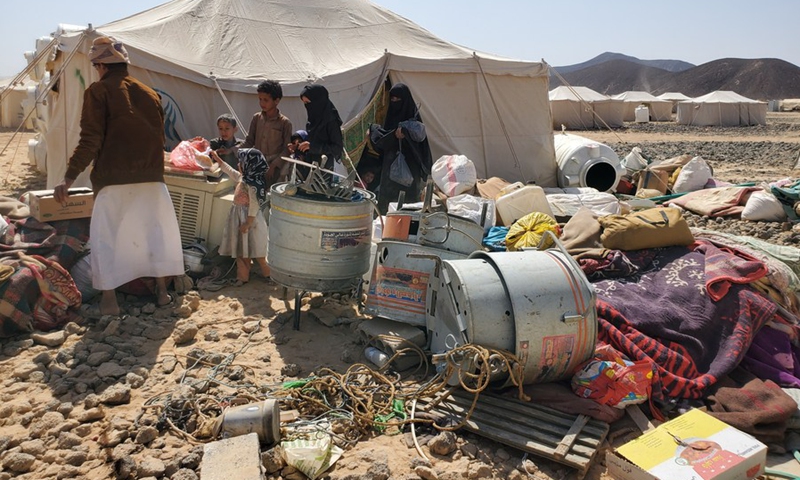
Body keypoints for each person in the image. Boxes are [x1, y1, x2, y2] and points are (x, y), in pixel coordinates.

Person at [53, 36, 183, 316]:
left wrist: (68, 177)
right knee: (154, 234)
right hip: (152, 179)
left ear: (100, 65)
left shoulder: (98, 92)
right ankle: (162, 294)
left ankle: (110, 302)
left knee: (107, 238)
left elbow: (90, 139)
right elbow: (158, 139)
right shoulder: (151, 94)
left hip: (113, 180)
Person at [210, 148, 271, 286]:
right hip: (239, 218)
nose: (239, 165)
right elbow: (229, 170)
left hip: (251, 221)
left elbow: (254, 206)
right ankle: (242, 277)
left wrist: (248, 223)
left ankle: (269, 275)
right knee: (241, 250)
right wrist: (217, 159)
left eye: (242, 163)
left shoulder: (253, 185)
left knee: (259, 252)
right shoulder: (242, 178)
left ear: (250, 166)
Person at [369, 83, 432, 214]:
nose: (395, 102)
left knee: (407, 209)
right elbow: (383, 142)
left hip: (409, 172)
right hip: (389, 171)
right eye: (392, 99)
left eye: (398, 100)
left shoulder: (414, 124)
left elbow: (421, 146)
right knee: (388, 209)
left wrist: (406, 134)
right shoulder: (390, 118)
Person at [240, 80, 293, 187]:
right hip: (257, 164)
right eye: (260, 99)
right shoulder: (256, 118)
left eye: (266, 100)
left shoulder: (284, 123)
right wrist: (236, 152)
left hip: (276, 167)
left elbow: (286, 149)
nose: (262, 103)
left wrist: (273, 166)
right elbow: (249, 141)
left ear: (276, 101)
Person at [297, 84, 343, 173]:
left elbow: (337, 148)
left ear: (318, 102)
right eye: (305, 104)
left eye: (308, 103)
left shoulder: (331, 121)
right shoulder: (313, 119)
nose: (307, 107)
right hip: (310, 165)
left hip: (323, 169)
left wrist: (313, 147)